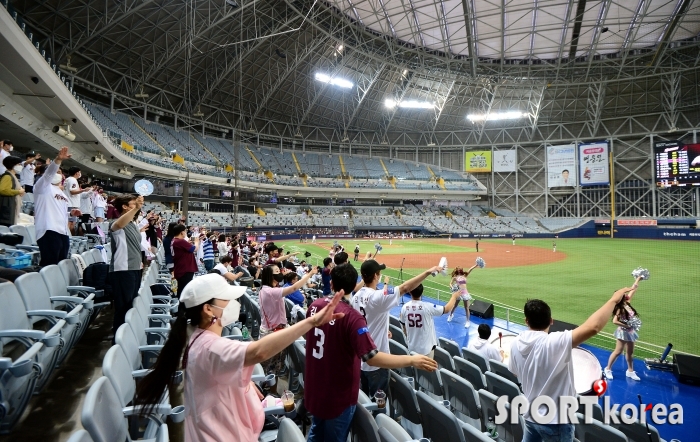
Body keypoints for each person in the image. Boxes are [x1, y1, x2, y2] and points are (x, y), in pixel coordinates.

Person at [135, 274, 346, 442]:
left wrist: (243, 386)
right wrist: (311, 322)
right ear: (208, 309)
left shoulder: (196, 338)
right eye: (226, 299)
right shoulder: (212, 348)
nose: (233, 302)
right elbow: (258, 352)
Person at [305, 264, 438, 442]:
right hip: (338, 393)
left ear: (331, 283)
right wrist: (412, 360)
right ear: (355, 284)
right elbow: (372, 358)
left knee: (316, 432)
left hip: (316, 386)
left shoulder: (315, 306)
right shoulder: (351, 317)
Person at [508, 287, 633, 441]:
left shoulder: (515, 342)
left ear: (526, 321)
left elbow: (515, 373)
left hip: (530, 415)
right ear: (551, 321)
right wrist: (613, 300)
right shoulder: (554, 342)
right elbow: (593, 327)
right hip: (556, 421)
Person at [352, 259, 443, 397]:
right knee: (379, 403)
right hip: (378, 363)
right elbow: (405, 288)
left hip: (361, 360)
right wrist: (427, 272)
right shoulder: (377, 297)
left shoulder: (357, 296)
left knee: (364, 398)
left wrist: (383, 330)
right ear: (376, 276)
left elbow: (363, 322)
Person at [258, 264, 318, 382]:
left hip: (271, 331)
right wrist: (310, 274)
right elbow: (294, 288)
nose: (280, 273)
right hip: (273, 333)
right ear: (271, 275)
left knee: (273, 368)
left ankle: (270, 393)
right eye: (277, 271)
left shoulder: (266, 289)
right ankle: (269, 394)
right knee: (271, 371)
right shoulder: (271, 292)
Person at [109, 194, 145, 337]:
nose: (135, 206)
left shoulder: (132, 224)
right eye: (132, 204)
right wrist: (136, 208)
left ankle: (126, 336)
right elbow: (118, 224)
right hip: (123, 270)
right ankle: (118, 338)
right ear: (124, 207)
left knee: (130, 304)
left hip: (135, 268)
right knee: (123, 307)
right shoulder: (117, 223)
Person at [400, 284, 461, 358]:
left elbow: (404, 328)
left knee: (415, 368)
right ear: (422, 292)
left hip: (412, 348)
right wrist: (454, 297)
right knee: (426, 369)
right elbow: (447, 309)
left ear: (410, 292)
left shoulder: (404, 307)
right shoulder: (427, 307)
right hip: (426, 350)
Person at [34, 147, 72, 266]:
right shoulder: (42, 187)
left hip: (62, 231)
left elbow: (60, 212)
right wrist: (58, 160)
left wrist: (71, 214)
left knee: (61, 264)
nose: (58, 174)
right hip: (48, 229)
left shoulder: (61, 192)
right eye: (57, 172)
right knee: (49, 264)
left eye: (60, 172)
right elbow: (48, 175)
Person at [604, 275, 644, 381]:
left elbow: (633, 289)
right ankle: (607, 369)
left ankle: (630, 371)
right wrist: (626, 325)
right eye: (624, 294)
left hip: (630, 331)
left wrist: (638, 279)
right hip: (623, 332)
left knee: (630, 353)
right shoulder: (619, 309)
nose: (626, 295)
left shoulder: (627, 304)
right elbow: (615, 321)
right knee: (618, 351)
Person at [171, 224, 199, 298]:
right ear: (182, 232)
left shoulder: (174, 241)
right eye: (185, 231)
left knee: (182, 290)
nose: (186, 233)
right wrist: (197, 242)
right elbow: (194, 249)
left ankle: (181, 307)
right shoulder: (180, 241)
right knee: (184, 292)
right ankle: (181, 308)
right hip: (185, 270)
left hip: (181, 268)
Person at [0, 156, 26, 226]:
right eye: (19, 164)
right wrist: (18, 192)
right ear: (12, 165)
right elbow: (2, 190)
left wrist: (20, 192)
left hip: (11, 206)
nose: (20, 166)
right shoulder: (7, 176)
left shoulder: (13, 176)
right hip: (6, 208)